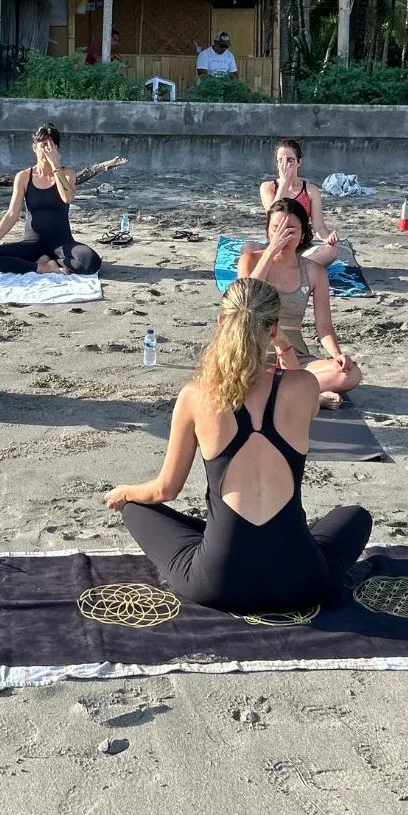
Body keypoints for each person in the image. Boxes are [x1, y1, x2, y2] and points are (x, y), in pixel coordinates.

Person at [106, 277, 371, 612]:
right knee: (355, 516)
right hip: (302, 582)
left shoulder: (196, 395)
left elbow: (166, 490)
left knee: (135, 506)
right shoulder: (305, 387)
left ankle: (220, 536)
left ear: (221, 321)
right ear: (274, 327)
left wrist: (126, 492)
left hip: (218, 583)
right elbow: (302, 390)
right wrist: (284, 346)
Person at [236, 198, 361, 407]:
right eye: (277, 228)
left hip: (294, 353)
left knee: (349, 374)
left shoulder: (314, 271)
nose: (283, 236)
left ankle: (288, 392)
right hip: (253, 348)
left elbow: (324, 327)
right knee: (238, 376)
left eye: (291, 230)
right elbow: (245, 301)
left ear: (303, 233)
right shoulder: (250, 261)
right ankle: (305, 394)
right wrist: (270, 252)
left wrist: (337, 354)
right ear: (267, 230)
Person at [0, 122, 101, 275]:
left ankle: (51, 262)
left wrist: (56, 166)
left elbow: (67, 197)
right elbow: (12, 214)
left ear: (57, 150)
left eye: (51, 147)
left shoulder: (67, 173)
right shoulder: (24, 177)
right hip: (32, 244)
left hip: (62, 244)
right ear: (34, 148)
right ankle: (43, 267)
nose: (46, 151)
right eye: (43, 146)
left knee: (91, 261)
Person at [259, 138, 338, 268]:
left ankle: (289, 268)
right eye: (281, 161)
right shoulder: (268, 187)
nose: (285, 165)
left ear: (299, 162)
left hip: (301, 247)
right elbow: (273, 216)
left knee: (331, 251)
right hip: (276, 247)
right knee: (248, 248)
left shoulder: (310, 190)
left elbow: (318, 226)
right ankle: (294, 268)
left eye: (290, 160)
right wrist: (284, 182)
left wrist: (327, 238)